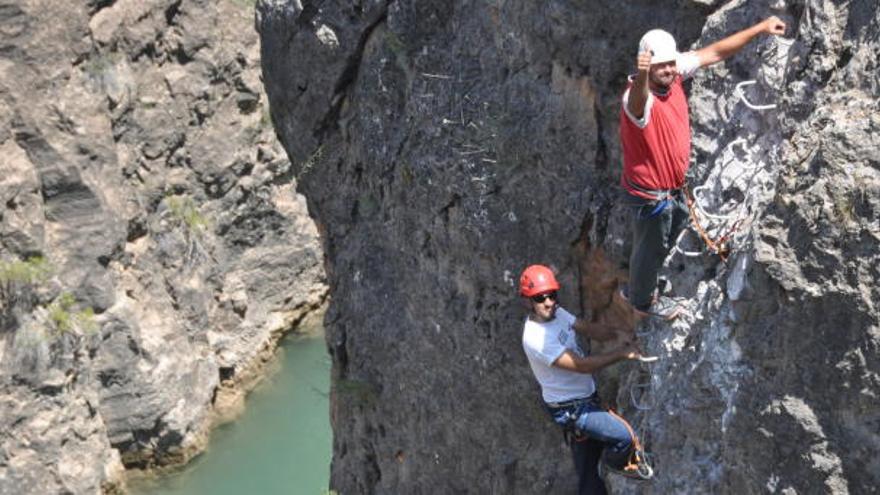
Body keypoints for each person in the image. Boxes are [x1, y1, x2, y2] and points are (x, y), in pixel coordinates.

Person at [620, 17, 788, 319]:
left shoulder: (672, 74)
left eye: (671, 63)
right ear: (647, 67)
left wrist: (759, 28)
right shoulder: (638, 100)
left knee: (666, 235)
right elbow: (637, 101)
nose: (670, 70)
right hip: (650, 195)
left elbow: (714, 53)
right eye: (661, 66)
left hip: (672, 187)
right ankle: (642, 301)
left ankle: (640, 284)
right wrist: (644, 75)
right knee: (650, 246)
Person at [519, 264, 648, 494]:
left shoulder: (556, 314)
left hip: (585, 399)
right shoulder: (536, 339)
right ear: (528, 301)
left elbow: (587, 328)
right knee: (624, 438)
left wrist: (618, 334)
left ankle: (600, 472)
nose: (548, 302)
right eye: (540, 298)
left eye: (552, 295)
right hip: (572, 409)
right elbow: (581, 366)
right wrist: (622, 353)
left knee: (588, 473)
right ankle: (612, 465)